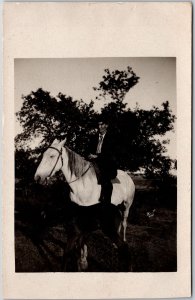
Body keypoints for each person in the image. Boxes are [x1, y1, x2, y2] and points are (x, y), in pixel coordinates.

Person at [88, 116, 119, 205]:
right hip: (93, 162)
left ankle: (106, 201)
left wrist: (97, 156)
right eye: (99, 125)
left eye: (102, 124)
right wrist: (89, 155)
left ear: (106, 125)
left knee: (106, 179)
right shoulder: (94, 137)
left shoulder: (112, 138)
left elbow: (110, 153)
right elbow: (88, 149)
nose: (100, 127)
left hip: (107, 163)